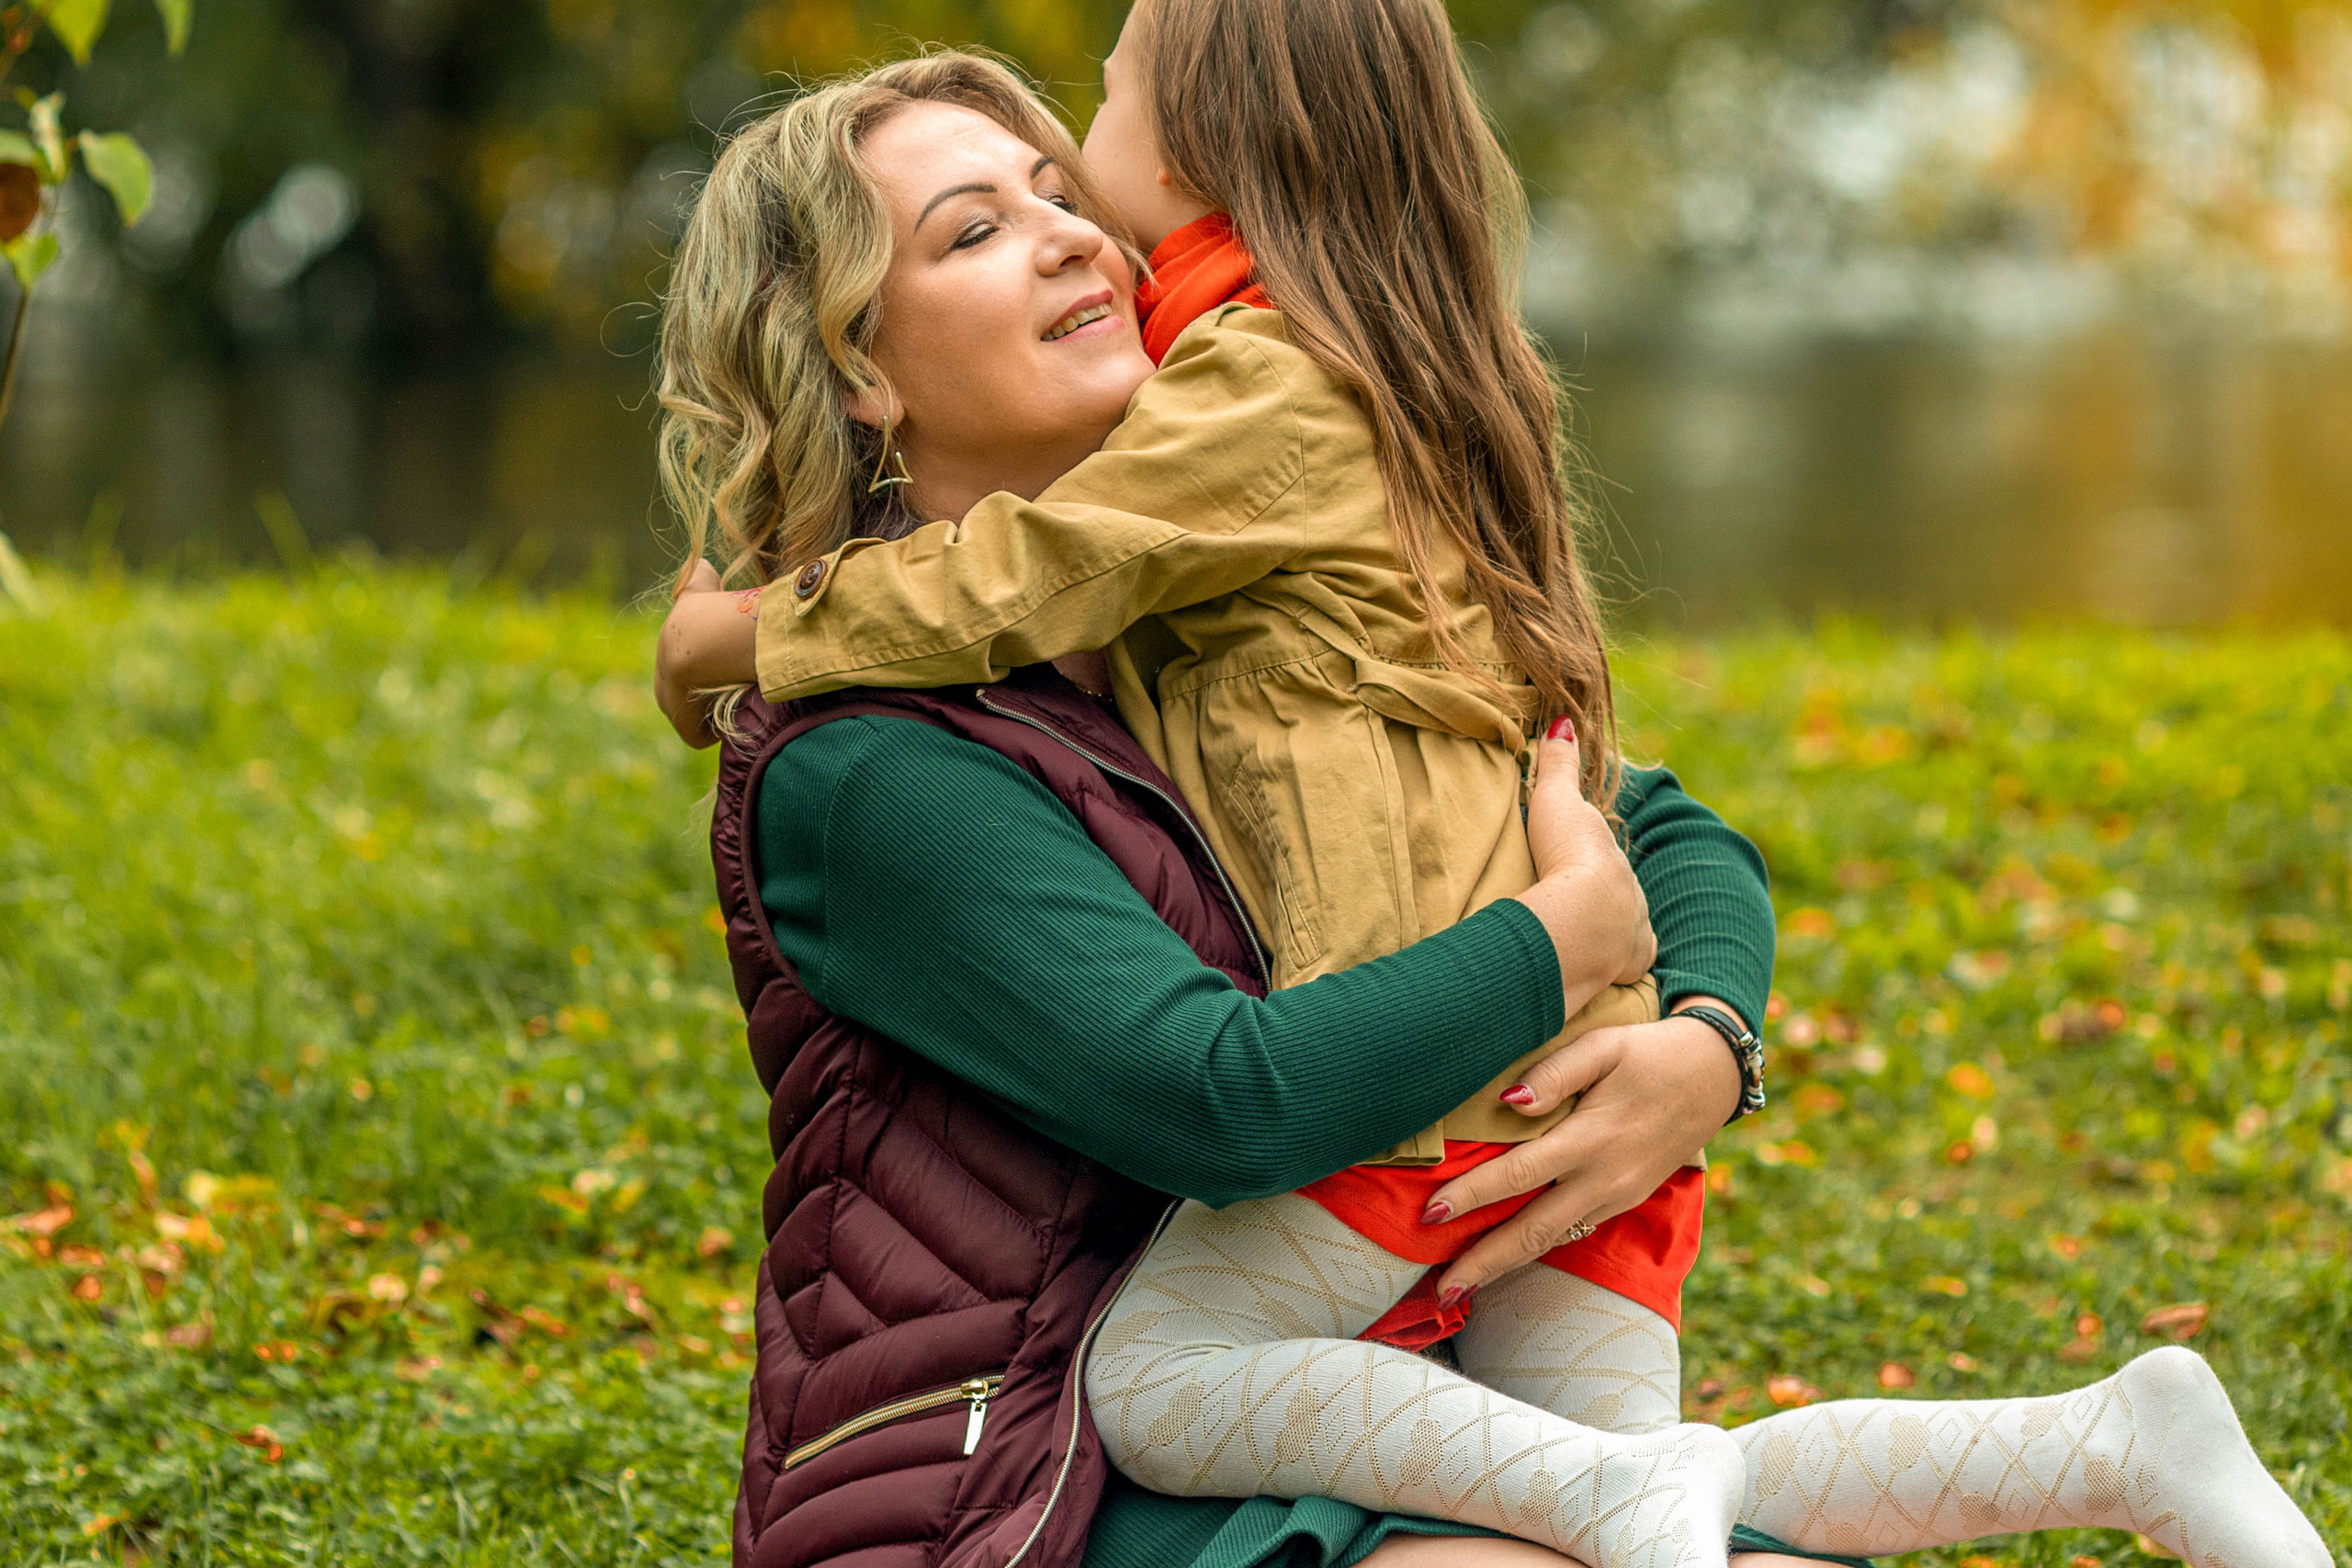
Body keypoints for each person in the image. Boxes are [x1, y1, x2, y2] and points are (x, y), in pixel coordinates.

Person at [651, 44, 2327, 1568]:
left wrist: (1699, 1046)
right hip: (1025, 1479)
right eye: (971, 232)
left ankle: (2114, 1446)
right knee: (1613, 1530)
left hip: (1354, 1366)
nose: (1074, 236)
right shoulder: (877, 761)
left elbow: (1643, 816)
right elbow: (1228, 1104)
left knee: (1705, 1543)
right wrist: (1556, 944)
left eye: (1064, 193)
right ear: (860, 373)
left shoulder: (1219, 613)